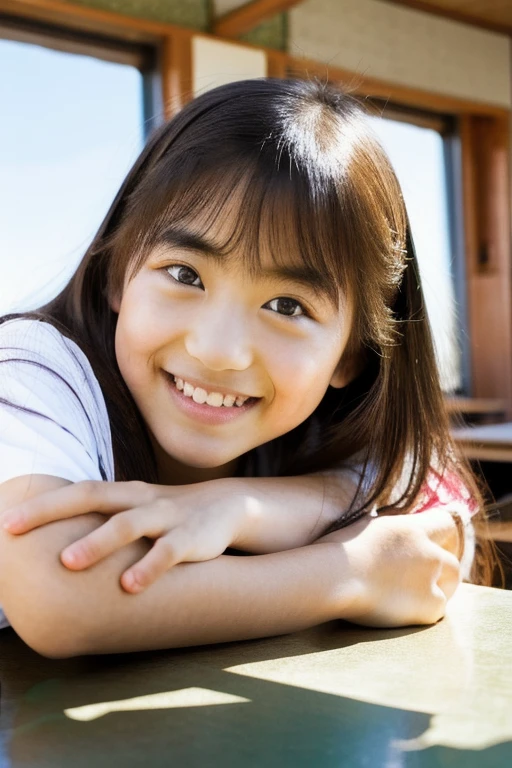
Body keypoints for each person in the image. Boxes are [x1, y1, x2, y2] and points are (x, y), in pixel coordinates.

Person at [0, 78, 493, 659]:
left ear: (352, 353)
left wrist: (245, 506)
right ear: (118, 273)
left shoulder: (317, 421)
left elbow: (443, 529)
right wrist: (348, 574)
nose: (219, 351)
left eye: (287, 307)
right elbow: (64, 602)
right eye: (185, 274)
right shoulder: (36, 370)